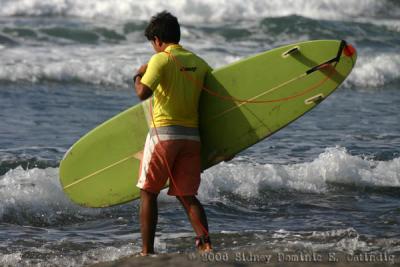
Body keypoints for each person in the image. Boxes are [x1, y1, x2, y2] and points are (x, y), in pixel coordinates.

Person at [133, 11, 212, 256]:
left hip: (164, 137)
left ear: (157, 40)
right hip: (192, 139)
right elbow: (212, 104)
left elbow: (142, 94)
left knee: (148, 191)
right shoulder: (200, 62)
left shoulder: (161, 60)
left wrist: (138, 74)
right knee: (187, 195)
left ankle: (147, 251)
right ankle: (206, 245)